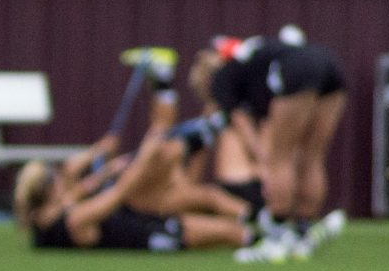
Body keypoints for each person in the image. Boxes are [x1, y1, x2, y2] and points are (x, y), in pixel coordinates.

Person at [13, 49, 250, 254]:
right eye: (54, 176)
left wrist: (105, 167)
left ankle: (171, 90)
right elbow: (119, 193)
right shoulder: (74, 220)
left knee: (167, 154)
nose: (60, 177)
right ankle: (176, 94)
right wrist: (143, 159)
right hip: (152, 233)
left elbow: (79, 184)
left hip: (140, 214)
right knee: (162, 154)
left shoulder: (49, 219)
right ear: (48, 190)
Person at [193, 28, 347, 262]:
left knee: (280, 158)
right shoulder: (251, 64)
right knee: (312, 157)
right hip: (327, 64)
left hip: (296, 70)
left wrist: (261, 157)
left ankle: (278, 234)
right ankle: (302, 230)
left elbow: (241, 122)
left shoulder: (222, 77)